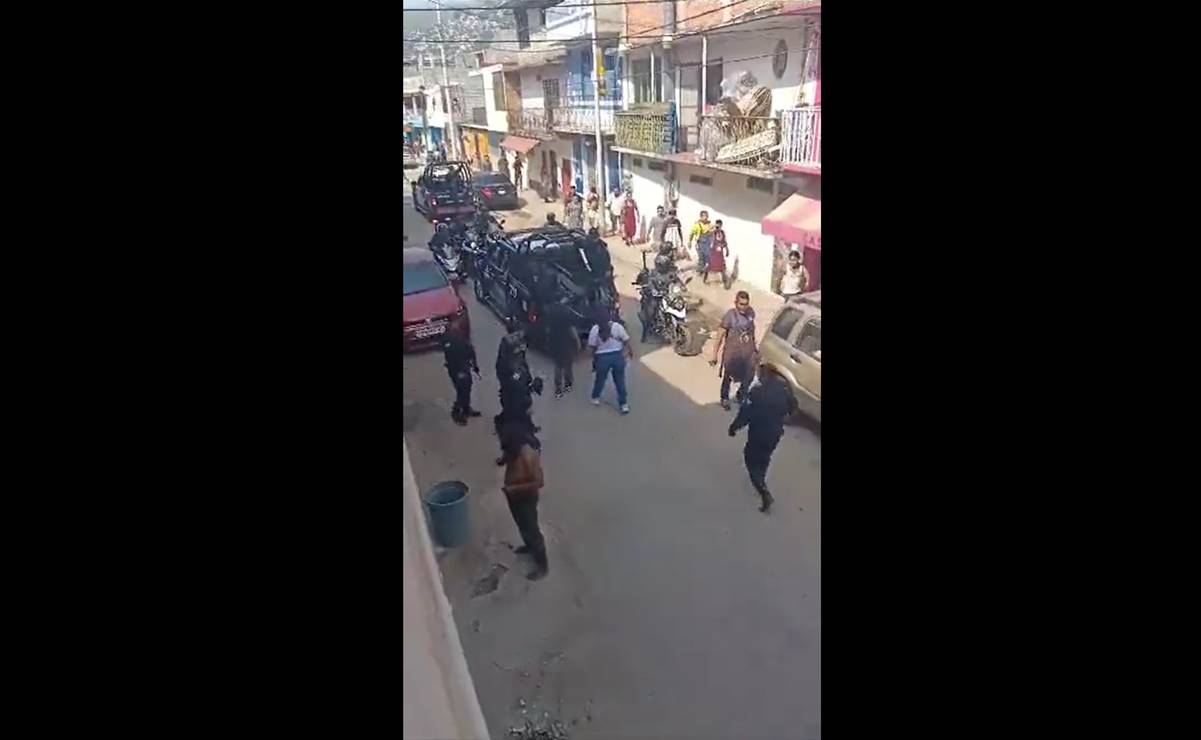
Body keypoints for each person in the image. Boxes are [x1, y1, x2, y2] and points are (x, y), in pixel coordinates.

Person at [728, 363, 798, 513]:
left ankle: (762, 489)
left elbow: (745, 414)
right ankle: (761, 479)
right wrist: (783, 415)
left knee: (750, 458)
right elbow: (793, 407)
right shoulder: (784, 389)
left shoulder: (757, 392)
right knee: (765, 457)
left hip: (758, 433)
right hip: (775, 433)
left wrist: (734, 428)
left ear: (763, 375)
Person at [499, 420, 549, 580]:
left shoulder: (529, 455)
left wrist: (513, 489)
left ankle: (542, 565)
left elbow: (539, 482)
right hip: (513, 497)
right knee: (521, 525)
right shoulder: (512, 450)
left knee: (531, 529)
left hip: (526, 498)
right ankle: (529, 546)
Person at [710, 291, 757, 411]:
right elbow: (720, 335)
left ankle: (741, 394)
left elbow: (752, 331)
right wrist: (714, 354)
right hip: (733, 351)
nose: (743, 307)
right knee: (729, 375)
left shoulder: (751, 313)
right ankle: (724, 397)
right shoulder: (730, 316)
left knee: (750, 373)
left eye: (746, 304)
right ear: (736, 303)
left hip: (747, 350)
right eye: (741, 304)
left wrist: (754, 348)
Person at [588, 309, 633, 414]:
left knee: (600, 379)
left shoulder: (595, 329)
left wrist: (594, 359)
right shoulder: (617, 327)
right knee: (620, 381)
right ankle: (623, 404)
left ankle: (595, 397)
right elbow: (626, 340)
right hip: (617, 356)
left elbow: (592, 346)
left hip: (602, 357)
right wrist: (629, 351)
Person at [442, 321, 482, 425]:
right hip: (458, 369)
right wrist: (470, 367)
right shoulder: (452, 339)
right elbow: (453, 356)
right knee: (462, 391)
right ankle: (457, 412)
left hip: (462, 368)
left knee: (466, 389)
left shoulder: (458, 337)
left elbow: (470, 350)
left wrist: (474, 365)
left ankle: (466, 409)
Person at [545, 297, 579, 398]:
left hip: (555, 342)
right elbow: (572, 329)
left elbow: (547, 329)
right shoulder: (566, 312)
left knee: (558, 366)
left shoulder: (550, 311)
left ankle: (558, 390)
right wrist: (577, 342)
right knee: (568, 365)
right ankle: (568, 385)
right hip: (566, 342)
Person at [704, 220, 730, 289]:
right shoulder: (714, 232)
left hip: (720, 252)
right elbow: (706, 232)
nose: (718, 226)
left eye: (720, 225)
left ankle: (725, 283)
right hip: (713, 252)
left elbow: (725, 242)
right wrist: (713, 226)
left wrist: (727, 249)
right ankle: (705, 279)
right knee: (709, 266)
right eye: (717, 225)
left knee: (722, 267)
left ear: (721, 225)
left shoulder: (722, 232)